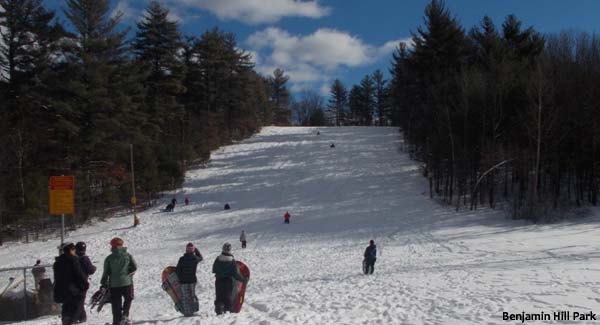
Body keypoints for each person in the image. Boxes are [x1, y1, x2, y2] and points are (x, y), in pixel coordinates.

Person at [100, 237, 137, 325]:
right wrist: (128, 273)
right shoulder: (128, 255)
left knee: (116, 303)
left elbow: (106, 272)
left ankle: (116, 321)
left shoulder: (109, 258)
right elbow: (134, 267)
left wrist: (103, 283)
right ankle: (125, 315)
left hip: (114, 284)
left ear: (113, 246)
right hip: (127, 282)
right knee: (128, 298)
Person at [53, 243, 87, 325]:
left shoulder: (57, 262)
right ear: (71, 250)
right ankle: (74, 320)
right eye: (74, 249)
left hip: (61, 290)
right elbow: (79, 273)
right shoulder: (73, 260)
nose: (75, 251)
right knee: (77, 304)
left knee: (66, 306)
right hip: (73, 290)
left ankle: (66, 320)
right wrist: (84, 284)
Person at [212, 243, 248, 315]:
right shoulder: (232, 261)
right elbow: (236, 274)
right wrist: (243, 279)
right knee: (227, 297)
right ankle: (228, 312)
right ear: (230, 250)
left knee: (219, 296)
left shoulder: (218, 259)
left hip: (219, 280)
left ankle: (219, 310)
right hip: (228, 281)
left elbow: (214, 269)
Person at [175, 243, 203, 316]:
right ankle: (194, 310)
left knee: (185, 297)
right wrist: (196, 250)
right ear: (193, 250)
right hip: (192, 280)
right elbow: (201, 258)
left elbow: (177, 270)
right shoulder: (195, 258)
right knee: (192, 295)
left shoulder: (182, 259)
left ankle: (187, 312)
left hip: (183, 281)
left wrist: (179, 278)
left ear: (186, 250)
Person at [76, 241, 96, 323]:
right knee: (80, 300)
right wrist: (94, 267)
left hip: (75, 282)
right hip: (83, 282)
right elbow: (91, 270)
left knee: (78, 300)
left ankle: (81, 316)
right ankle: (81, 316)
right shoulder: (84, 258)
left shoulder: (75, 258)